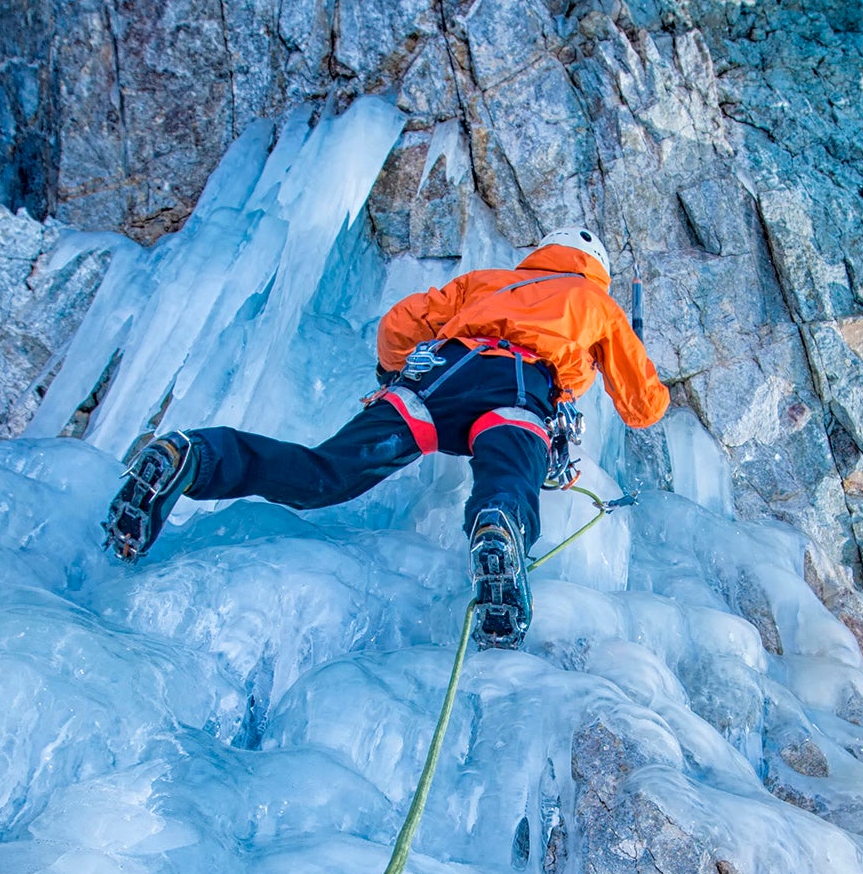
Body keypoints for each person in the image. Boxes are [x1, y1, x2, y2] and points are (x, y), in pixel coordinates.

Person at [103, 228, 670, 646]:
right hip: (513, 387)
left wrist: (393, 380)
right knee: (508, 471)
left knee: (325, 474)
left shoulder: (488, 281)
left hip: (432, 380)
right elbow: (643, 404)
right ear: (594, 270)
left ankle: (193, 457)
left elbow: (401, 321)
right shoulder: (596, 302)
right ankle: (498, 534)